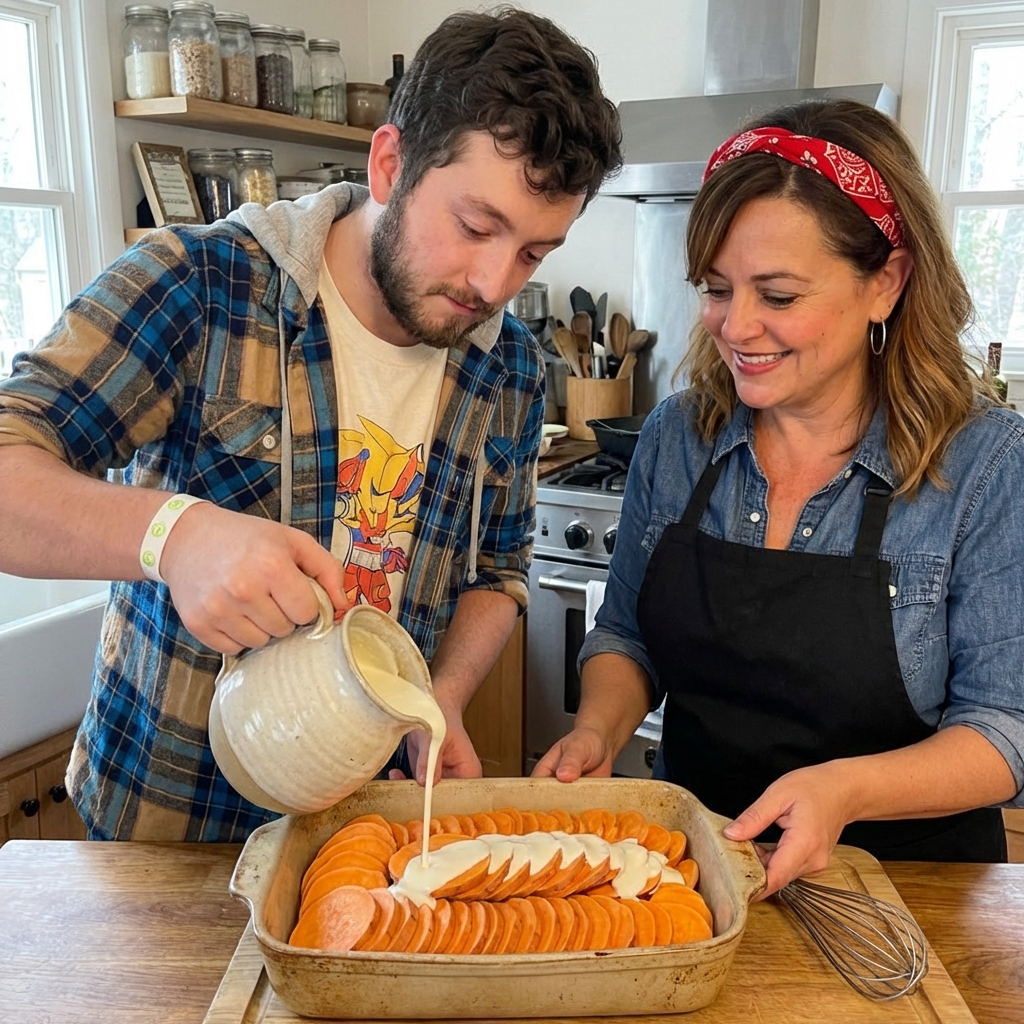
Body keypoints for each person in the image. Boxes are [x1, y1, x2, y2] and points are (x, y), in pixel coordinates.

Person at [0, 9, 622, 841]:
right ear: (392, 163)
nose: (493, 281)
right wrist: (176, 538)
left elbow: (498, 571)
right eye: (476, 226)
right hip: (173, 825)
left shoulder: (506, 362)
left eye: (534, 254)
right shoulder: (202, 285)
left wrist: (439, 696)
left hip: (361, 823)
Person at [535, 100, 1024, 896]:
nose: (738, 327)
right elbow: (628, 635)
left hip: (906, 902)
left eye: (780, 295)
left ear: (887, 284)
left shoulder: (986, 465)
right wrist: (597, 729)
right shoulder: (678, 436)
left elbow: (1006, 730)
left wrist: (843, 792)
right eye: (718, 289)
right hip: (693, 880)